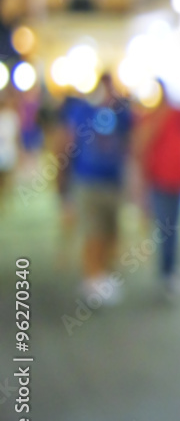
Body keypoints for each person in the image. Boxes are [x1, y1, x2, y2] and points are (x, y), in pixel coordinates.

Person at [57, 74, 133, 303]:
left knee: (111, 233)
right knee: (93, 233)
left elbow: (130, 144)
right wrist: (62, 182)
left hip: (113, 183)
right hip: (87, 182)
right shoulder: (81, 112)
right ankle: (92, 280)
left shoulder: (122, 115)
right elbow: (67, 144)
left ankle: (103, 276)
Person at [134, 80, 180, 296]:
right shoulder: (149, 118)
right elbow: (140, 145)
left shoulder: (179, 114)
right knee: (165, 227)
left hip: (178, 179)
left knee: (173, 226)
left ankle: (170, 270)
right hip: (158, 180)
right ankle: (167, 272)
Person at [0, 91, 21, 212]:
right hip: (4, 152)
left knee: (8, 179)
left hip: (9, 152)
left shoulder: (12, 116)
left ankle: (7, 202)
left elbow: (16, 137)